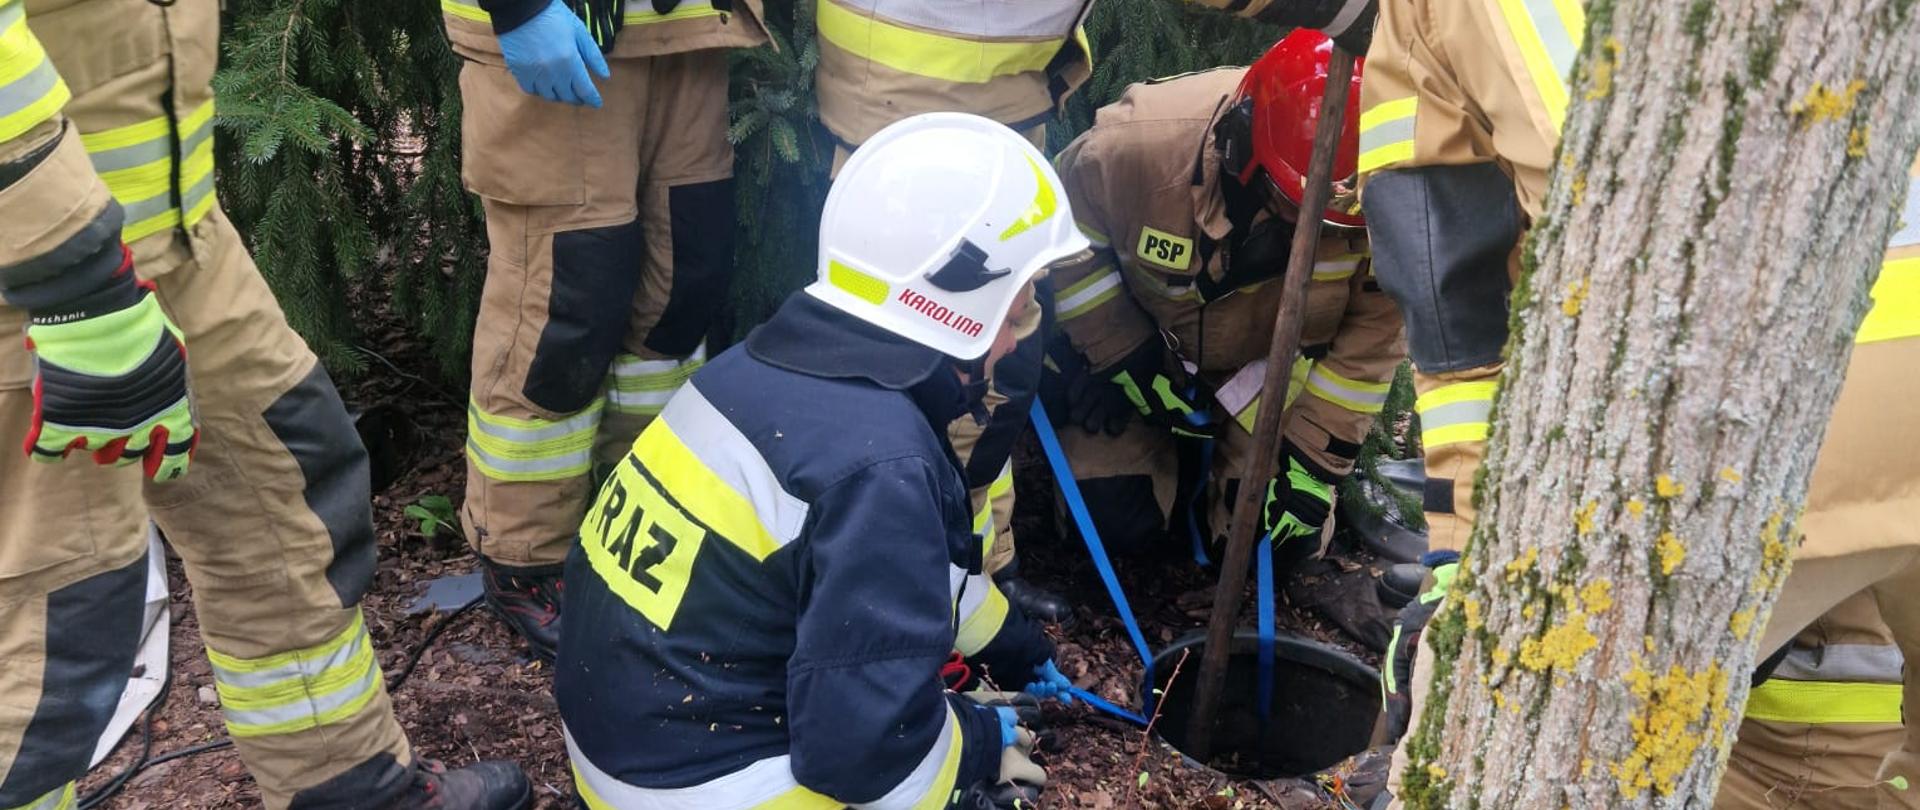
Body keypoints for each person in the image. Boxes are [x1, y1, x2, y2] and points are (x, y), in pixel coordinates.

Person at [1352, 0, 1920, 805]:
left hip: (1718, 435)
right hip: (1853, 446)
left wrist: (1460, 560)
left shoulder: (1421, 18)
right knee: (1838, 728)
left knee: (1473, 758)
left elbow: (1460, 329)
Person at [0, 1, 527, 808]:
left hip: (176, 238)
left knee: (287, 502)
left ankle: (350, 789)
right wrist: (70, 279)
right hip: (36, 287)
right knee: (51, 629)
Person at [555, 113, 1082, 809]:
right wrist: (973, 747)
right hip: (697, 785)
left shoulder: (759, 372)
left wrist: (1018, 648)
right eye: (1013, 316)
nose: (1015, 342)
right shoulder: (882, 466)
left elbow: (926, 581)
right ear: (959, 315)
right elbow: (866, 754)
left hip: (627, 747)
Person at [439, 0, 764, 659]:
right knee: (564, 298)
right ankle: (524, 555)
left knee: (683, 286)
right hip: (562, 25)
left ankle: (636, 520)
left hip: (689, 26)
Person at [1043, 29, 1405, 569]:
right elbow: (1061, 236)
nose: (1307, 229)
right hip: (1149, 367)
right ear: (1240, 143)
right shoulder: (1133, 152)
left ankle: (1223, 481)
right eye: (1287, 201)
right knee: (1111, 521)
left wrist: (1313, 462)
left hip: (1262, 388)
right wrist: (1117, 350)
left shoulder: (1385, 197)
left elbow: (1373, 343)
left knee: (1276, 546)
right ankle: (1163, 463)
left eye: (1330, 222)